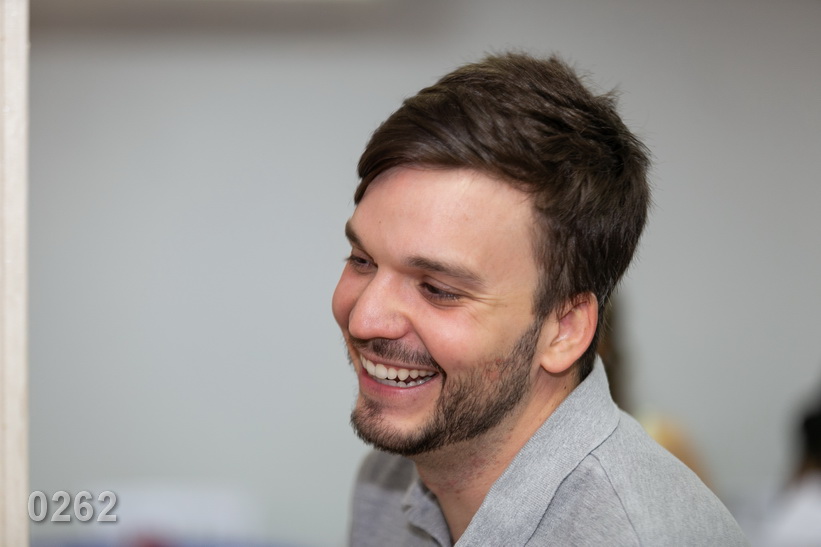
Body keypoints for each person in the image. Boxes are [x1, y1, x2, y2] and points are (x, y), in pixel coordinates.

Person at [331, 52, 747, 546]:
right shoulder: (385, 484)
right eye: (362, 260)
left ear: (564, 330)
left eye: (438, 289)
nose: (365, 319)